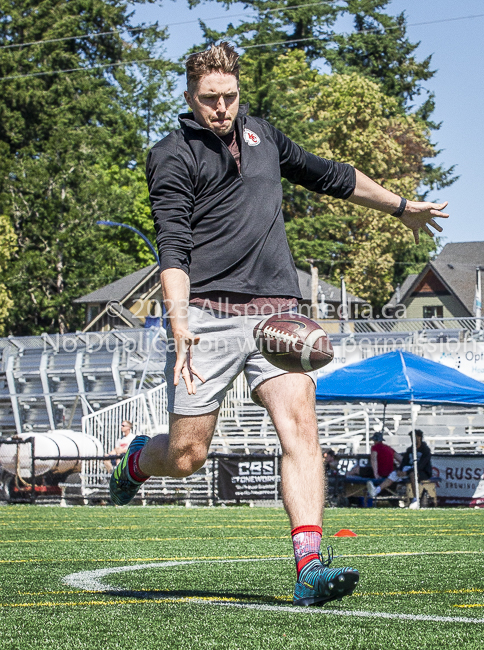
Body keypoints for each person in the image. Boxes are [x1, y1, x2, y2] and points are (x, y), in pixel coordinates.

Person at [109, 42, 448, 606]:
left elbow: (332, 175)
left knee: (301, 424)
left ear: (239, 90)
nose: (221, 108)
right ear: (190, 96)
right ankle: (140, 458)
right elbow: (172, 247)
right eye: (209, 99)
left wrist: (399, 206)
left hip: (276, 314)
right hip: (205, 315)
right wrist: (178, 323)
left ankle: (309, 565)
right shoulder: (171, 154)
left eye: (230, 97)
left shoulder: (263, 136)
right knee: (188, 456)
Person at [367, 429, 432, 509]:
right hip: (409, 469)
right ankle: (376, 490)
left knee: (413, 474)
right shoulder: (409, 450)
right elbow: (403, 461)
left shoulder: (426, 450)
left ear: (419, 438)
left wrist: (407, 472)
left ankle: (416, 499)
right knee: (394, 474)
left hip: (422, 471)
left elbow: (421, 465)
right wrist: (400, 470)